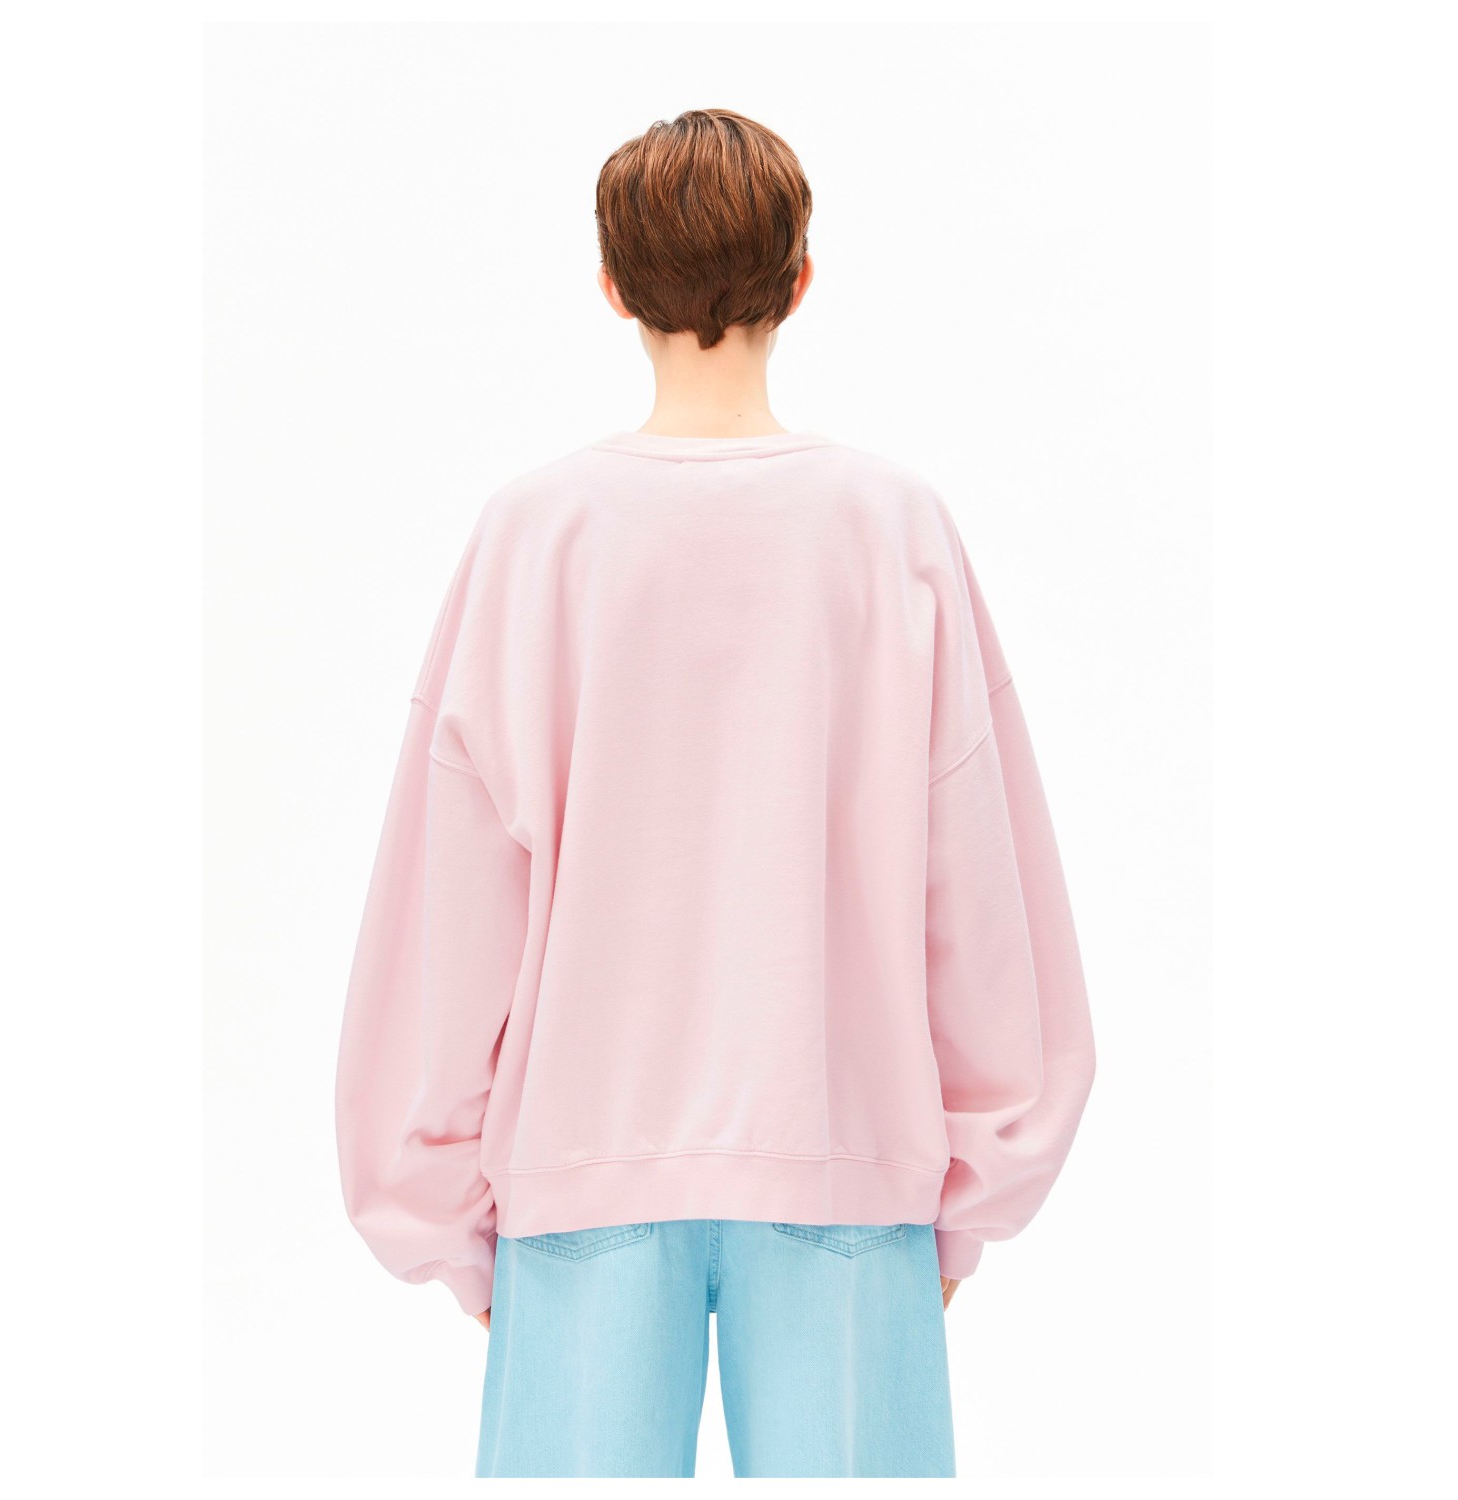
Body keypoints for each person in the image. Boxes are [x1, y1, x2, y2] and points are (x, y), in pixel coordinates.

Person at [334, 107, 1096, 1479]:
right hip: (843, 1156)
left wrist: (435, 1199)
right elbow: (980, 880)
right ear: (799, 280)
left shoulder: (535, 533)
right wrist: (979, 1176)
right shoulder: (892, 528)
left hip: (583, 1163)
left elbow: (450, 900)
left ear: (611, 287)